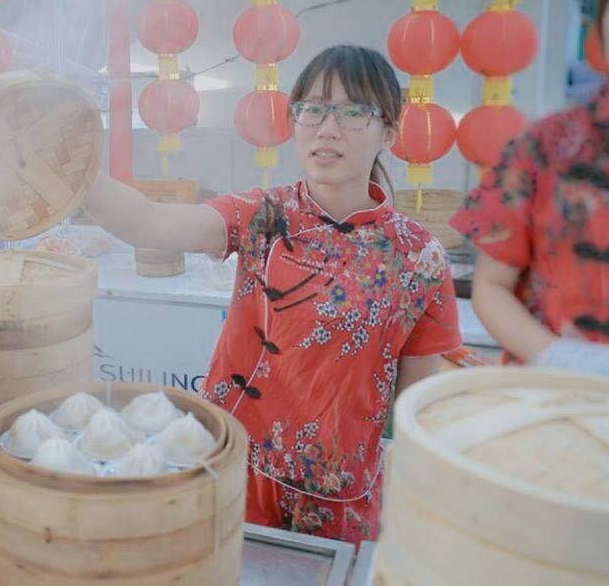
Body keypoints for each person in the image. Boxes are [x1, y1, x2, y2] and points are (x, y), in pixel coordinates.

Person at [85, 45, 461, 544]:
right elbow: (150, 222)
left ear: (389, 131)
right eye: (312, 109)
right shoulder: (264, 215)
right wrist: (74, 175)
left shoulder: (418, 257)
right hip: (229, 465)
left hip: (334, 499)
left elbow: (417, 403)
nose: (328, 128)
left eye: (353, 112)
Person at [450, 0, 609, 382]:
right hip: (548, 404)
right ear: (602, 18)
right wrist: (558, 356)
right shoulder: (544, 146)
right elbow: (491, 286)